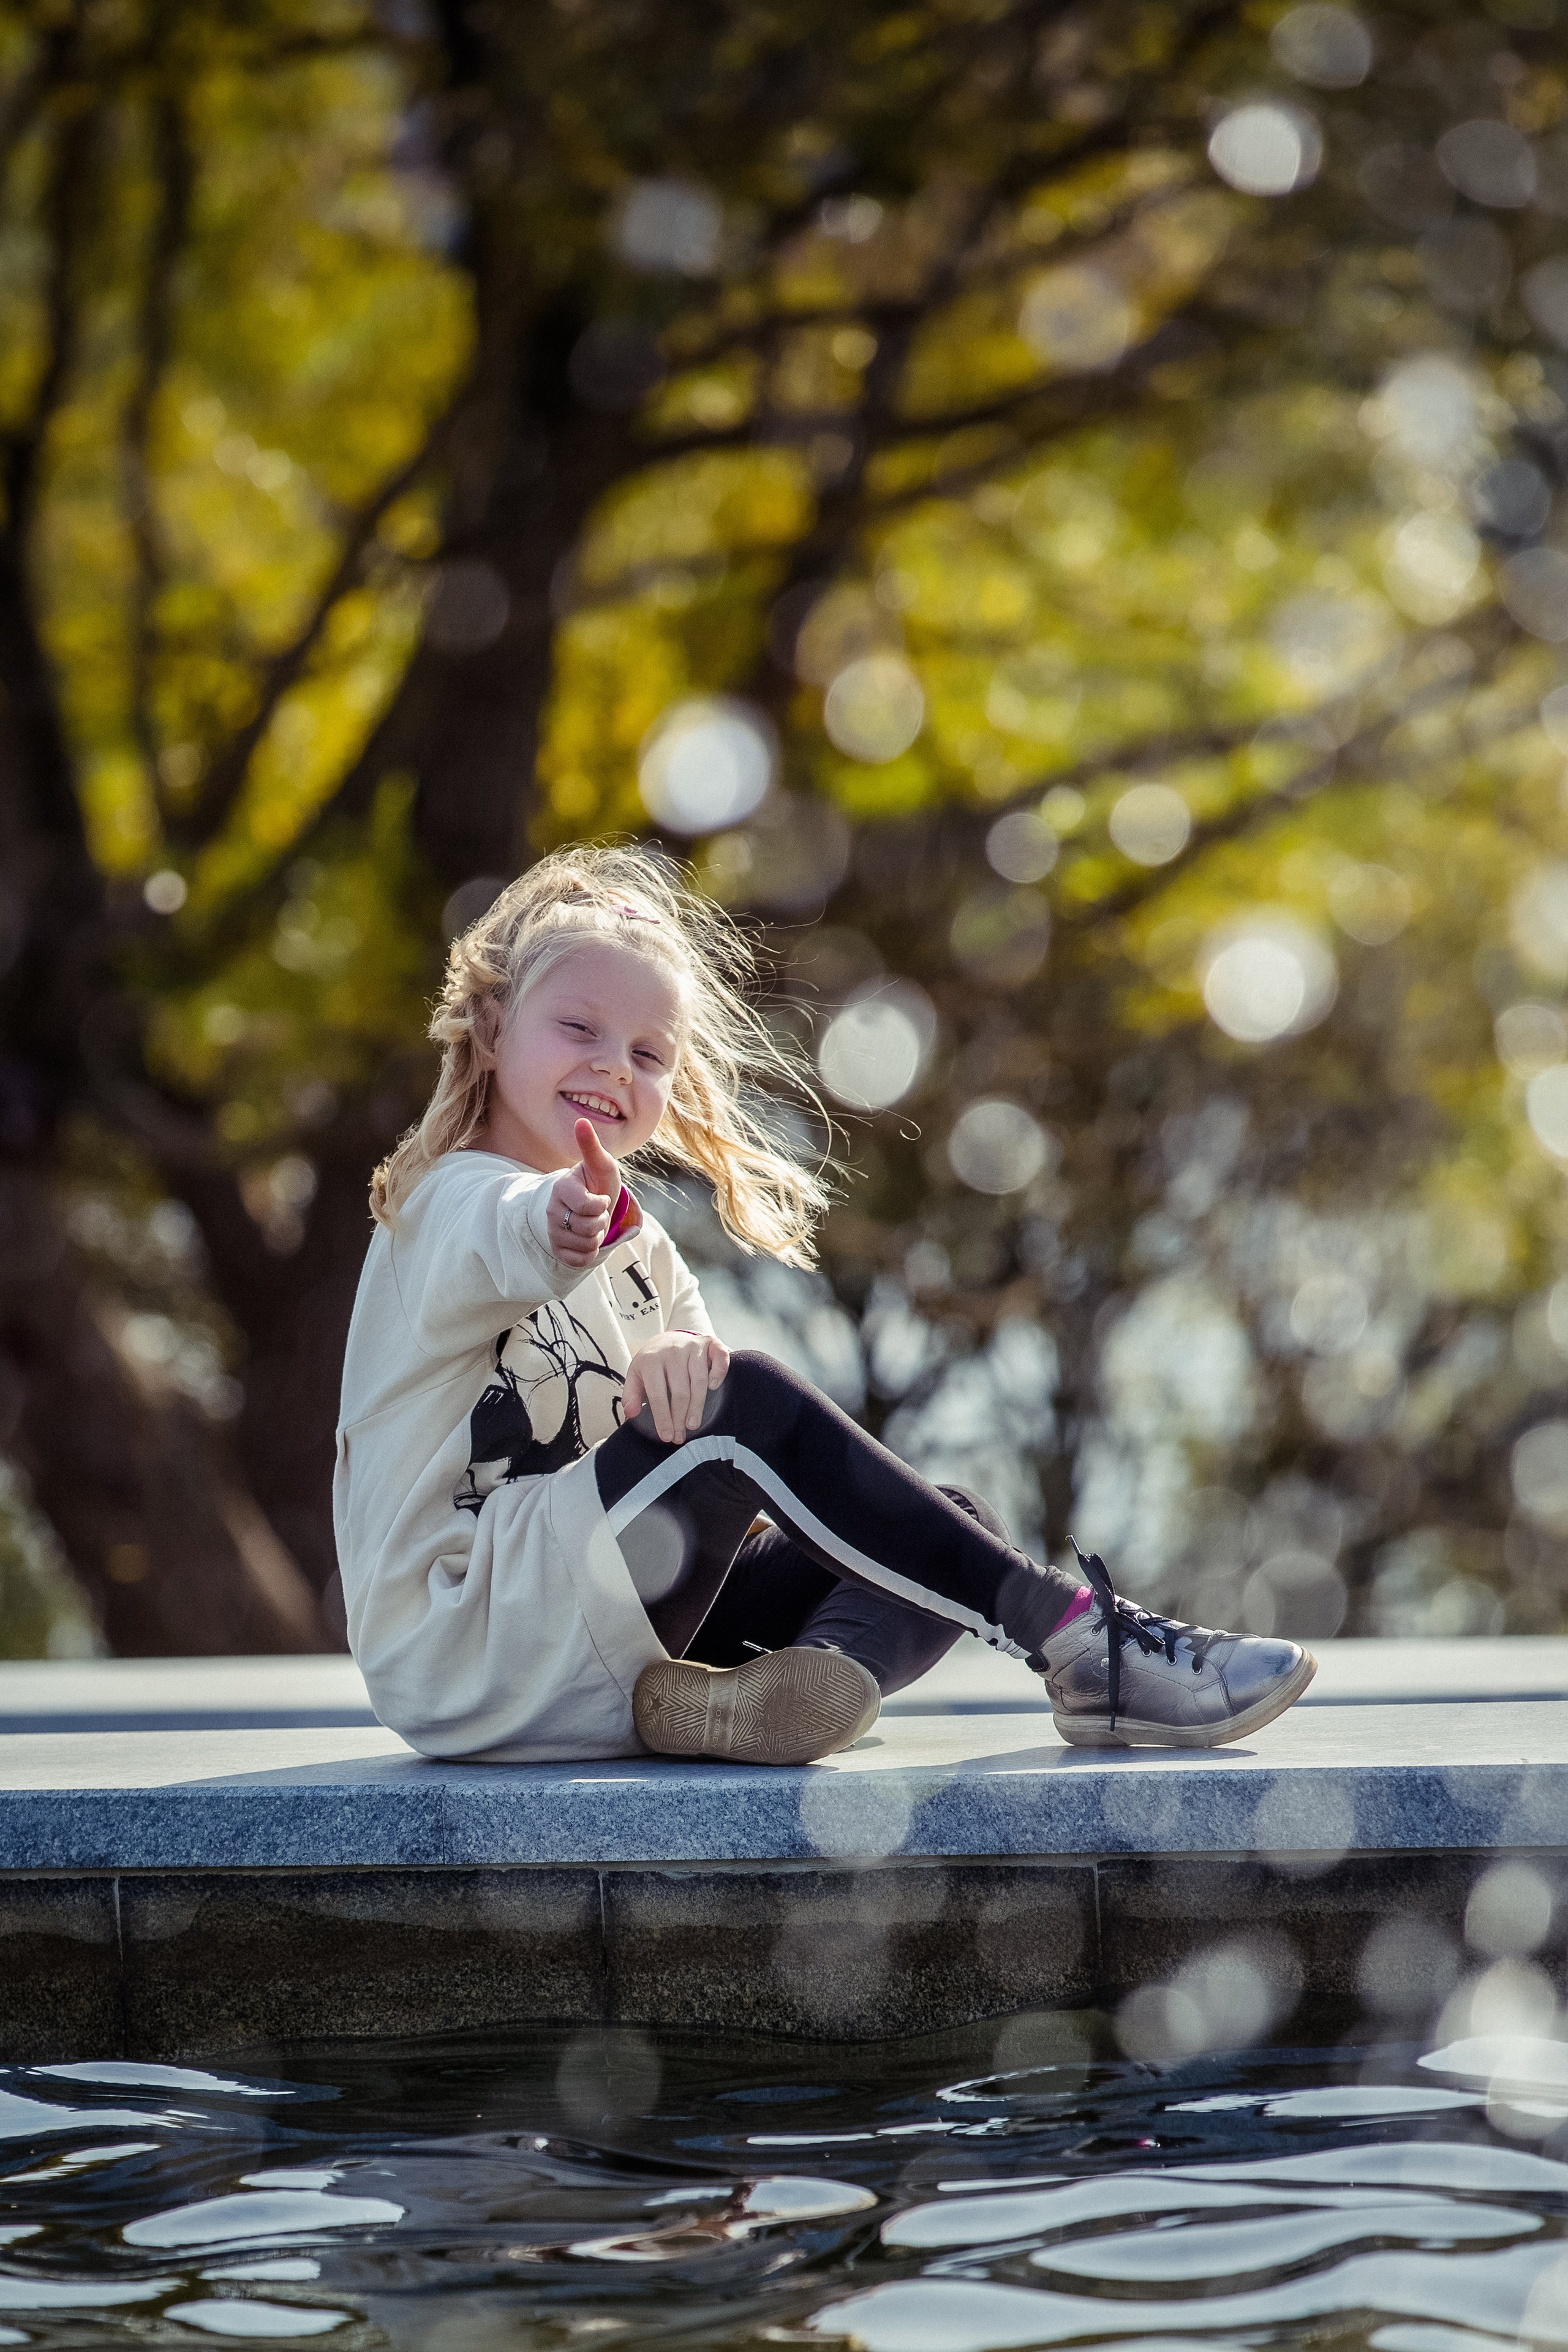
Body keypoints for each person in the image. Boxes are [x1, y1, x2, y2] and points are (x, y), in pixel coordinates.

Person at [334, 843, 1316, 1766]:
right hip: (470, 1641)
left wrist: (680, 1365)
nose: (613, 1067)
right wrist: (564, 1216)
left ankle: (792, 1692)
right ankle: (1082, 1641)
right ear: (495, 1023)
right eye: (579, 1029)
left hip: (599, 1638)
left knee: (945, 1521)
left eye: (648, 1053)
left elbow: (705, 1451)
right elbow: (508, 1227)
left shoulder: (643, 1255)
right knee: (745, 1405)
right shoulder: (440, 1200)